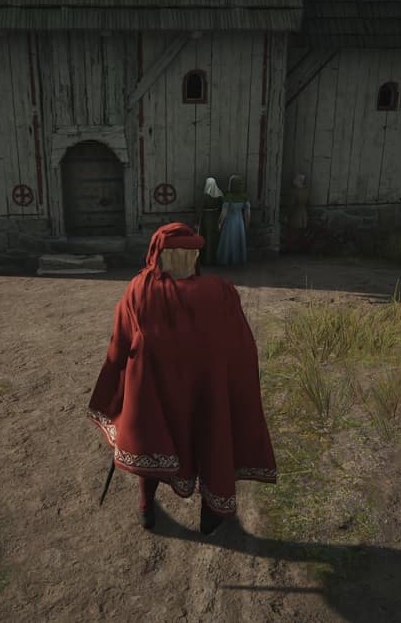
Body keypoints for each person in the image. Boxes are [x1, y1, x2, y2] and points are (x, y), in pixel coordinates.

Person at [87, 222, 277, 535]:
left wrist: (115, 379)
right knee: (209, 440)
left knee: (151, 443)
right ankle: (210, 513)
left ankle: (147, 506)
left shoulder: (140, 289)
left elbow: (119, 347)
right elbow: (240, 345)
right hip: (206, 391)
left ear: (157, 255)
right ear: (194, 257)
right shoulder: (221, 291)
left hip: (155, 392)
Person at [217, 175, 250, 266]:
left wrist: (220, 223)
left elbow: (223, 213)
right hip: (239, 222)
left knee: (228, 241)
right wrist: (247, 224)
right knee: (238, 240)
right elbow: (247, 213)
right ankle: (238, 260)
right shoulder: (244, 196)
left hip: (229, 222)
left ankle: (227, 260)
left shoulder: (228, 197)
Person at [197, 177, 224, 266]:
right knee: (214, 238)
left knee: (206, 238)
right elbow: (223, 207)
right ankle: (214, 259)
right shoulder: (219, 194)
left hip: (206, 218)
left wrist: (197, 219)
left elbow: (200, 209)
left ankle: (206, 260)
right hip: (215, 217)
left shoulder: (205, 196)